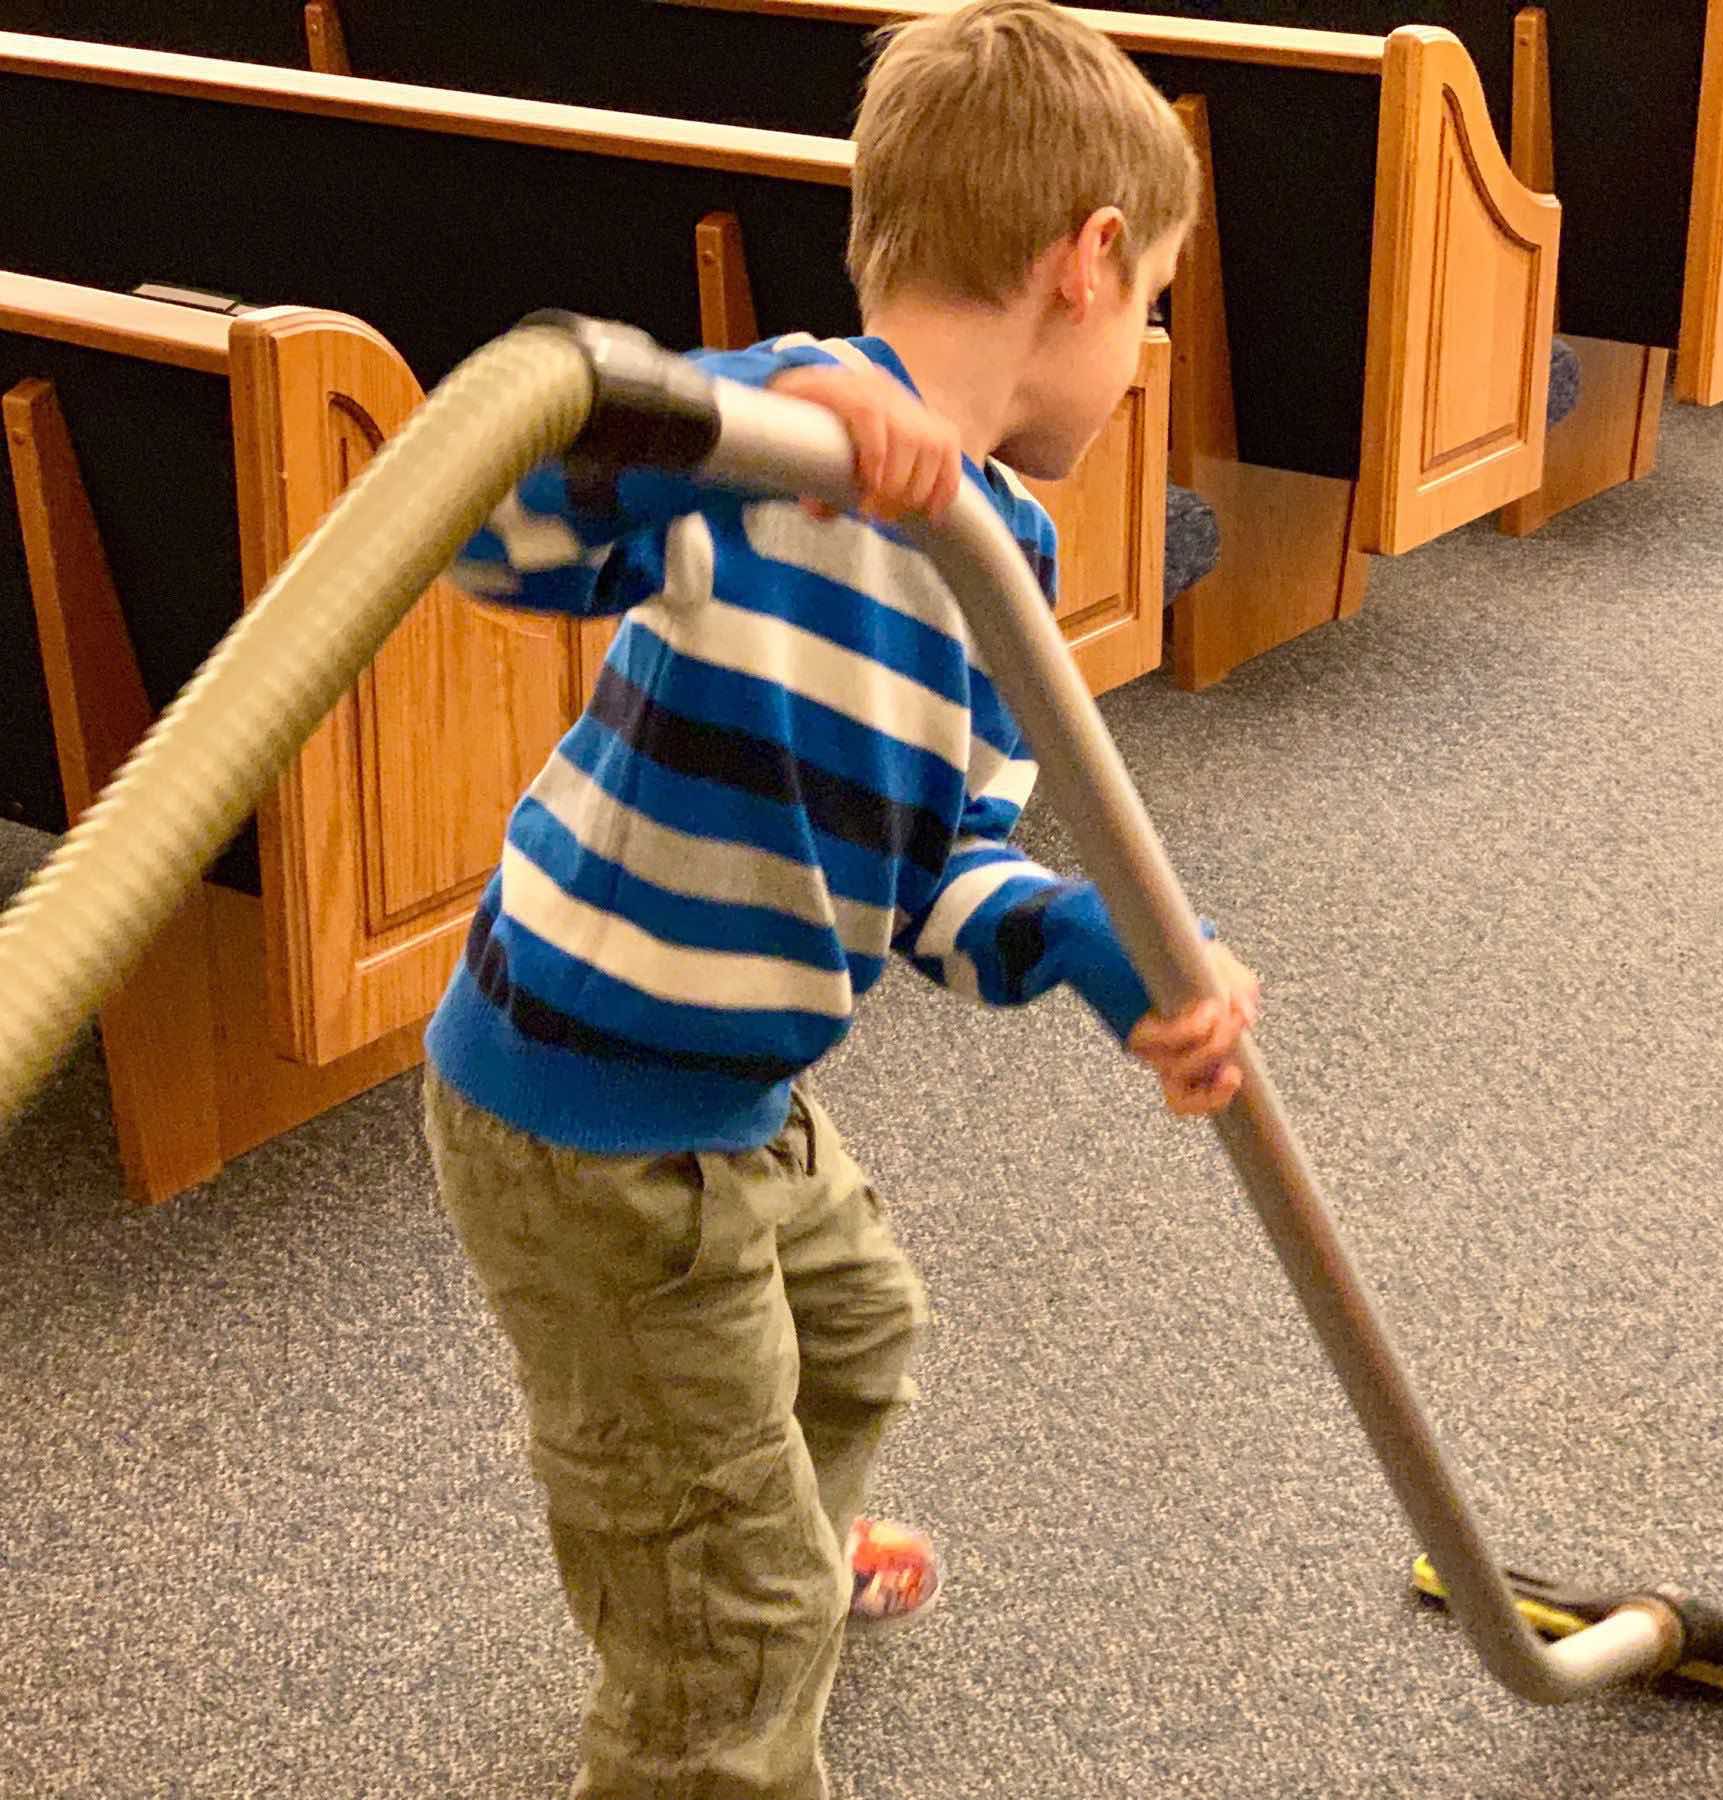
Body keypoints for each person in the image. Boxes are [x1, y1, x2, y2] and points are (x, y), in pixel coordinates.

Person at [422, 3, 1260, 1794]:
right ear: (1087, 264)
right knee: (730, 1652)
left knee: (862, 1338)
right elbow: (482, 517)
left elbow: (944, 871)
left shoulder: (1003, 559)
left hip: (731, 1092)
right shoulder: (765, 436)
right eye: (1159, 303)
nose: (1149, 346)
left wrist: (1118, 960)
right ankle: (731, 1608)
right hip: (586, 1124)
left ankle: (766, 1531)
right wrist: (724, 413)